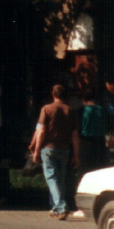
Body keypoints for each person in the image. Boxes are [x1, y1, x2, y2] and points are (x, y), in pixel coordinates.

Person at [29, 84, 77, 219]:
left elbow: (42, 131)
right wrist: (76, 155)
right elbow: (75, 135)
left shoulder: (47, 109)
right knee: (59, 179)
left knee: (51, 178)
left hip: (49, 148)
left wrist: (36, 150)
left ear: (53, 94)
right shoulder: (71, 110)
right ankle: (56, 207)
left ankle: (61, 207)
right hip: (65, 149)